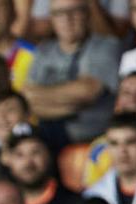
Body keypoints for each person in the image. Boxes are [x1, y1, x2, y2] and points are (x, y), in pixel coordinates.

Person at [24, 0, 121, 150]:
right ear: (52, 19)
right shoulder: (43, 51)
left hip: (93, 140)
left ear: (87, 14)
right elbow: (27, 99)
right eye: (59, 13)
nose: (67, 19)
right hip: (46, 137)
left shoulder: (106, 46)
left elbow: (87, 92)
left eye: (74, 11)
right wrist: (73, 105)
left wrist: (42, 97)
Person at [1, 125, 80, 204]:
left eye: (35, 152)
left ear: (48, 155)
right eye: (19, 155)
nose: (28, 162)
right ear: (8, 161)